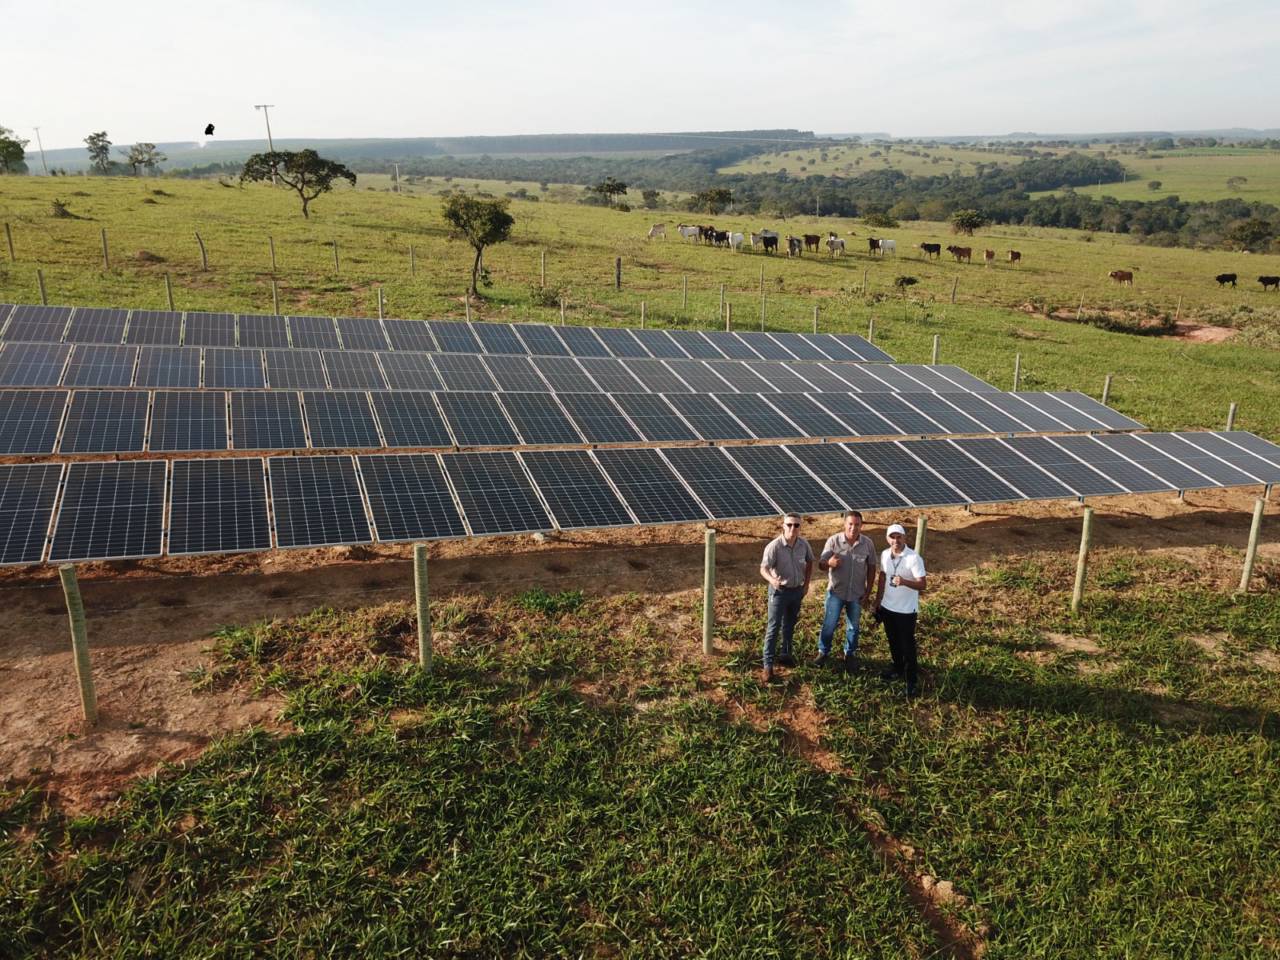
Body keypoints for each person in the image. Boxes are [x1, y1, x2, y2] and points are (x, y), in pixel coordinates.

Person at [813, 510, 878, 671]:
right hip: (836, 592)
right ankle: (823, 652)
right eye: (850, 524)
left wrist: (868, 592)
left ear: (861, 526)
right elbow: (821, 564)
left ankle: (849, 654)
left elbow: (871, 568)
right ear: (844, 524)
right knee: (829, 624)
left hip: (857, 594)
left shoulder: (868, 544)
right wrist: (829, 563)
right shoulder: (833, 541)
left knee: (853, 627)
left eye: (857, 525)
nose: (853, 528)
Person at [872, 522, 927, 698]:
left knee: (907, 646)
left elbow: (922, 584)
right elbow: (883, 576)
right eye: (892, 537)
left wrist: (904, 582)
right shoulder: (885, 554)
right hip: (888, 607)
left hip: (906, 611)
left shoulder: (913, 558)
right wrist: (878, 600)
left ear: (905, 538)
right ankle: (897, 668)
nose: (895, 540)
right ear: (887, 539)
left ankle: (912, 681)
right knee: (893, 641)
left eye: (899, 537)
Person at [759, 513, 813, 684]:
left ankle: (785, 654)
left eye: (796, 525)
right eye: (789, 525)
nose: (792, 528)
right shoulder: (774, 546)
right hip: (779, 592)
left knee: (789, 624)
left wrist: (806, 585)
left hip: (796, 591)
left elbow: (810, 561)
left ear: (800, 527)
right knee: (773, 627)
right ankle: (768, 665)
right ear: (783, 526)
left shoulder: (803, 545)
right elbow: (763, 568)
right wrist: (772, 580)